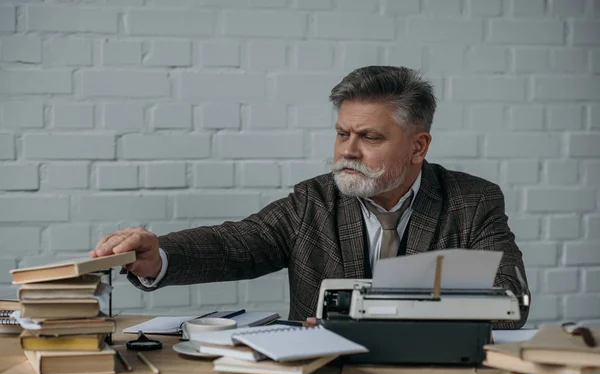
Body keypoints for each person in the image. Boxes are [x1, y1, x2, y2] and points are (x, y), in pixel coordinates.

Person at [91, 66, 530, 329]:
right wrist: (159, 254)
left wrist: (384, 318)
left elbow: (508, 301)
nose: (347, 152)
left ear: (418, 146)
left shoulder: (473, 201)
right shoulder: (312, 202)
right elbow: (235, 244)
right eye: (343, 134)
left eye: (369, 137)